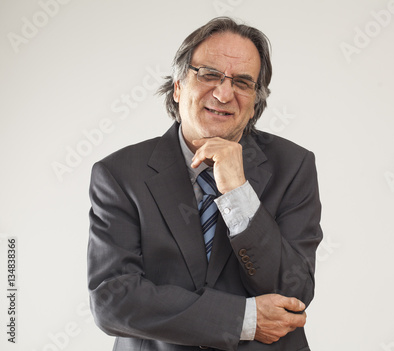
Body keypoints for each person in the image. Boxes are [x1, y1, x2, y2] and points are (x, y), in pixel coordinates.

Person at [87, 17, 322, 351]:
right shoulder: (119, 174)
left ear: (255, 101)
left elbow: (293, 292)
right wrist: (243, 319)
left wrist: (238, 193)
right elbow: (114, 302)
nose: (224, 94)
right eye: (209, 74)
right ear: (178, 85)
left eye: (242, 82)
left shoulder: (294, 166)